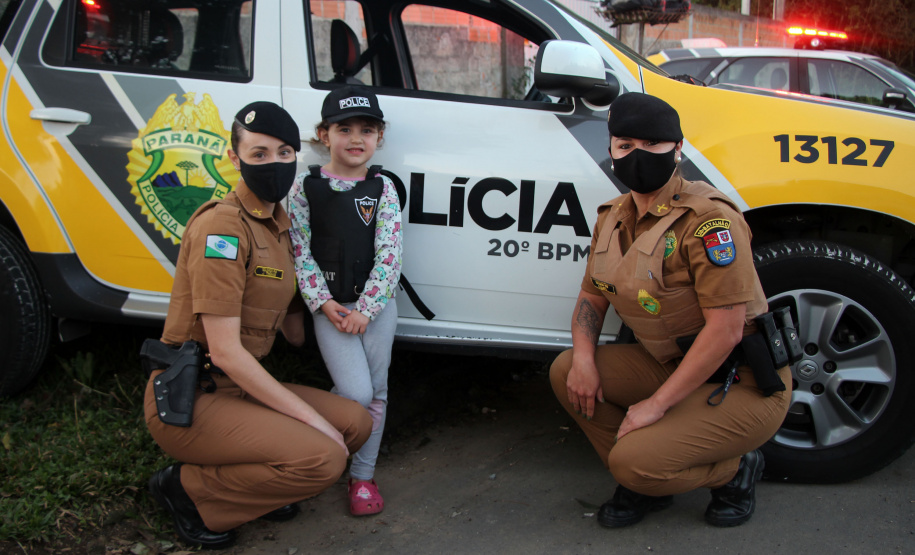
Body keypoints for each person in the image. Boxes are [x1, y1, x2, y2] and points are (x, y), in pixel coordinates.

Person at [549, 92, 792, 529]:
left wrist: (655, 406)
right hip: (669, 363)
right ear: (610, 150)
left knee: (632, 462)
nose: (636, 156)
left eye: (651, 145)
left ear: (677, 149)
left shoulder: (710, 221)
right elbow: (591, 297)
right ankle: (648, 479)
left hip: (741, 380)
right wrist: (584, 358)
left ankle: (736, 470)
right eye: (624, 146)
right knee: (566, 369)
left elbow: (726, 331)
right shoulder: (612, 216)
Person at [144, 101, 372, 549]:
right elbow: (225, 351)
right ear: (234, 158)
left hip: (242, 389)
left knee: (355, 422)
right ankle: (187, 489)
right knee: (325, 456)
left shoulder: (279, 225)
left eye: (285, 153)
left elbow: (291, 330)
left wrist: (339, 308)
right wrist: (311, 422)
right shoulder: (223, 229)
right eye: (259, 153)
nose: (275, 164)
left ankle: (264, 484)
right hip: (193, 396)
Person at [288, 86, 402, 516]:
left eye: (367, 130)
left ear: (379, 138)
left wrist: (367, 308)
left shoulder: (383, 188)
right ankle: (321, 450)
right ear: (323, 134)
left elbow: (390, 254)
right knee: (354, 392)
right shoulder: (306, 186)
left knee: (377, 393)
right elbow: (299, 249)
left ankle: (362, 478)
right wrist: (322, 303)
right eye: (344, 128)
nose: (356, 138)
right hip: (330, 311)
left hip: (376, 311)